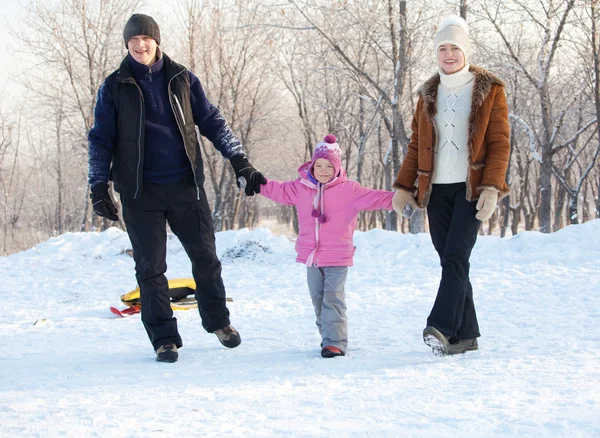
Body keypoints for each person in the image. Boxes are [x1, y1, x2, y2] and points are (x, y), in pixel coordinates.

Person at [88, 14, 266, 363]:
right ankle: (164, 338)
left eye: (146, 39)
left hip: (186, 186)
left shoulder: (181, 78)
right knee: (151, 269)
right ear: (127, 44)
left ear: (157, 41)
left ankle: (218, 322)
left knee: (206, 258)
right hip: (140, 193)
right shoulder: (114, 86)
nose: (140, 46)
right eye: (134, 41)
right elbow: (100, 140)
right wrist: (98, 185)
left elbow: (211, 120)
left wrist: (239, 160)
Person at [392, 15, 510, 356]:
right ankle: (466, 335)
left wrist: (491, 187)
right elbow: (417, 144)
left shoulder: (490, 90)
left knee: (456, 256)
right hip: (437, 191)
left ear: (466, 50)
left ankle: (441, 326)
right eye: (442, 48)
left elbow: (500, 142)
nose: (448, 54)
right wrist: (404, 185)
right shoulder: (428, 93)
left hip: (471, 188)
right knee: (451, 260)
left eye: (454, 48)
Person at [259, 135, 394, 357]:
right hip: (312, 256)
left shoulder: (350, 190)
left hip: (338, 256)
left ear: (337, 167)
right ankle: (327, 338)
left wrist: (400, 199)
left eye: (328, 166)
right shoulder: (300, 187)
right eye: (318, 165)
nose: (323, 170)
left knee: (333, 296)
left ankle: (336, 342)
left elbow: (376, 198)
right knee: (318, 299)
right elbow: (277, 190)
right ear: (312, 166)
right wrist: (256, 181)